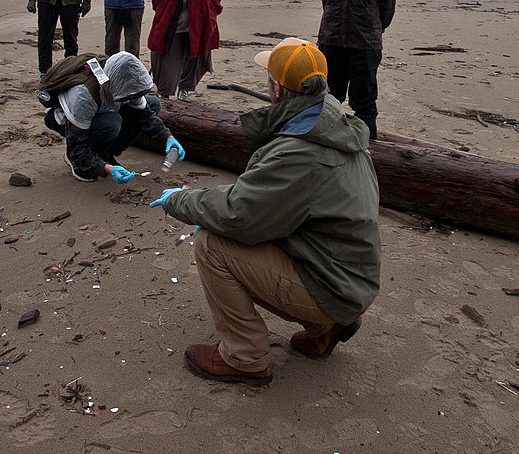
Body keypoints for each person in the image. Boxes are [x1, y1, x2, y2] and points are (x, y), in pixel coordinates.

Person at [150, 38, 381, 385]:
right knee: (230, 230)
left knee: (212, 245)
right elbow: (274, 207)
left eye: (269, 78)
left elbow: (239, 214)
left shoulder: (301, 150)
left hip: (336, 285)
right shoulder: (334, 124)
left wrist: (180, 200)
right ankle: (326, 328)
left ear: (276, 89)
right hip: (350, 276)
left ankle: (244, 357)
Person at [42, 52, 185, 184]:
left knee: (152, 104)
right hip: (67, 121)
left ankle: (105, 154)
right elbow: (78, 147)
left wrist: (168, 137)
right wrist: (105, 168)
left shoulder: (127, 79)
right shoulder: (83, 96)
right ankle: (80, 164)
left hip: (100, 109)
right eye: (129, 96)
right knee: (111, 123)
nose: (133, 98)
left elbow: (146, 116)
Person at [317, 0, 396, 140]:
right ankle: (325, 145)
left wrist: (374, 28)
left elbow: (387, 3)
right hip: (331, 42)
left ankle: (369, 152)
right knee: (328, 100)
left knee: (365, 103)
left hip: (365, 45)